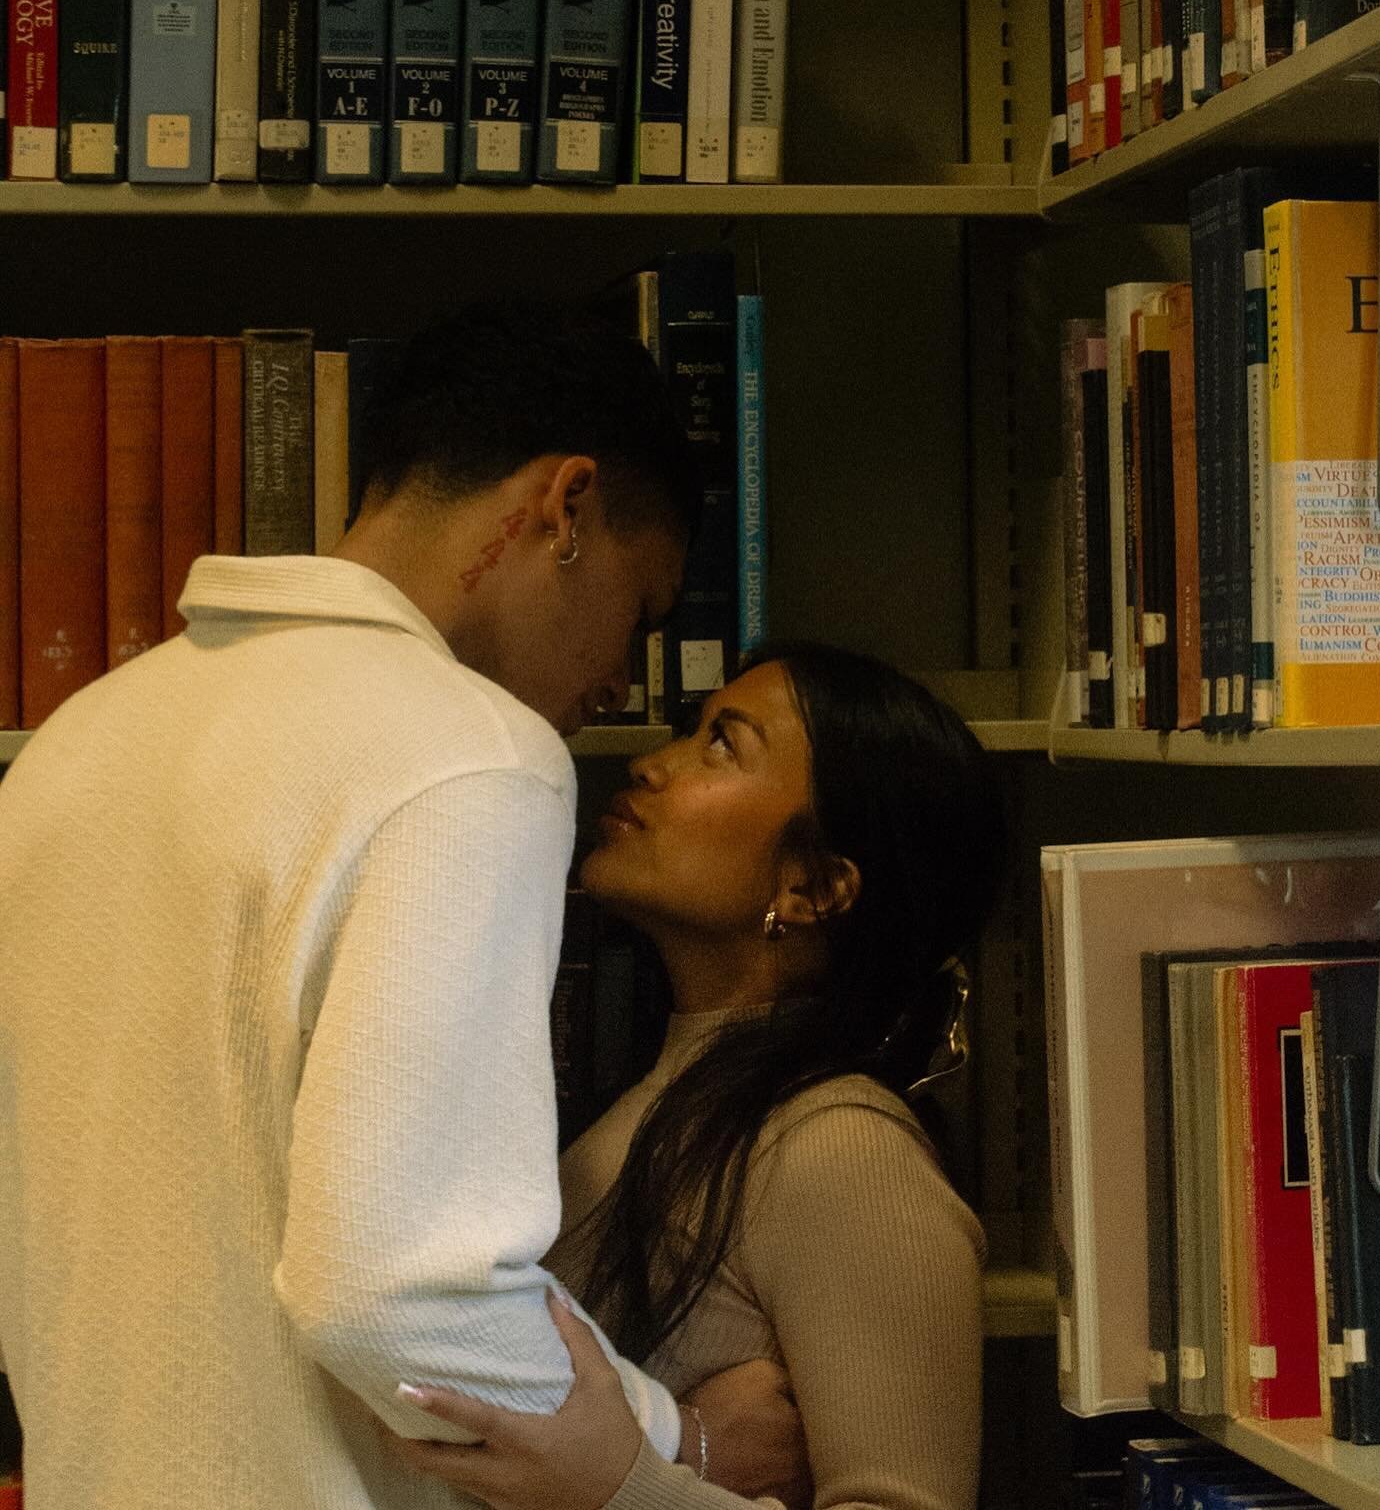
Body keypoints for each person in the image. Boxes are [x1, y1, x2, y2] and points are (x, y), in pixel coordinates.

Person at [0, 303, 804, 1509]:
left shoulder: (75, 745)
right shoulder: (474, 758)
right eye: (641, 611)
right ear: (565, 508)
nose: (623, 678)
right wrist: (671, 1445)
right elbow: (402, 1291)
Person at [380, 640, 1000, 1510]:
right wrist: (686, 1443)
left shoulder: (842, 1149)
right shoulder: (662, 1100)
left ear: (814, 889)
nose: (652, 764)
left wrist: (621, 1485)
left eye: (721, 744)